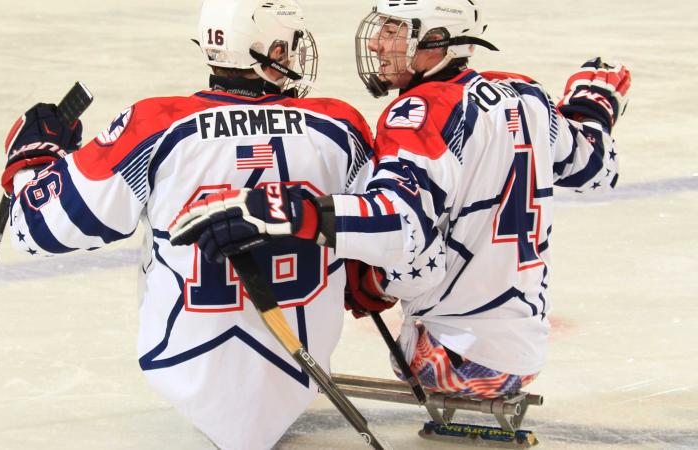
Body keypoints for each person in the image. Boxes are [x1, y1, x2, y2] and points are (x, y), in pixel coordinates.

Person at [169, 0, 631, 399]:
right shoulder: (525, 93)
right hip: (524, 352)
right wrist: (592, 106)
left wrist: (283, 211)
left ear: (436, 39)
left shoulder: (420, 111)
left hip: (451, 360)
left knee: (347, 257)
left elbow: (402, 233)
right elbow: (596, 169)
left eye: (393, 31)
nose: (376, 45)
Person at [0, 1, 376, 448]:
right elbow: (387, 235)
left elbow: (34, 227)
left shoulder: (156, 126)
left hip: (185, 369)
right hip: (300, 369)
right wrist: (361, 273)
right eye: (287, 45)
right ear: (268, 51)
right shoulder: (340, 126)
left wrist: (32, 162)